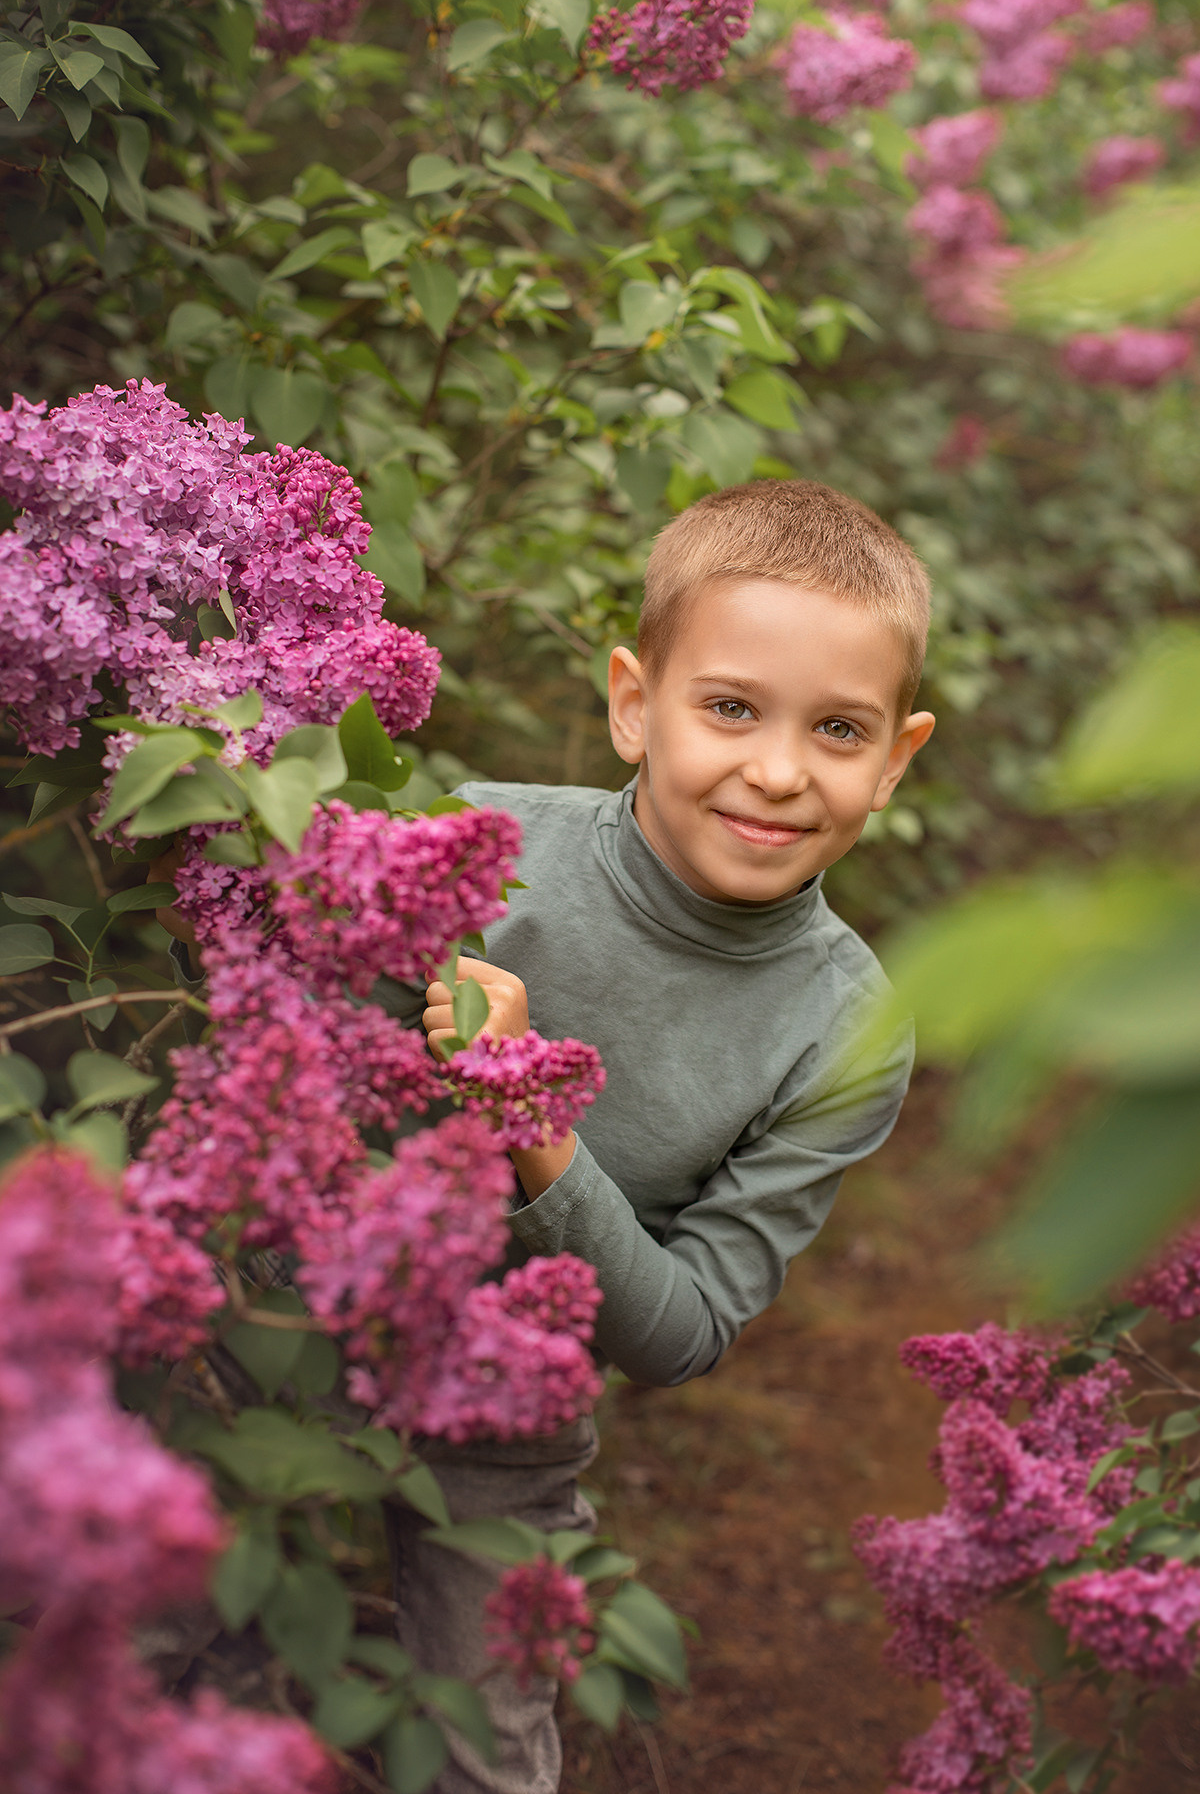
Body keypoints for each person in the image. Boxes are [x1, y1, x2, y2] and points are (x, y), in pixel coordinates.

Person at [162, 477, 935, 1794]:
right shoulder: (479, 841)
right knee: (164, 1645)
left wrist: (537, 1121)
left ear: (898, 756)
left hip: (503, 1418)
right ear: (635, 703)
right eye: (730, 707)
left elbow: (684, 1331)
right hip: (277, 1325)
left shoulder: (849, 1028)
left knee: (488, 1751)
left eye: (840, 729)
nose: (778, 771)